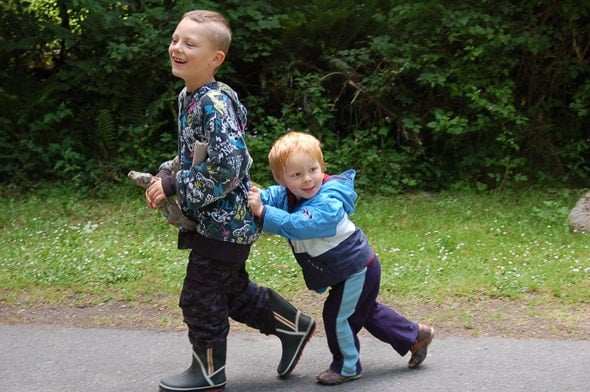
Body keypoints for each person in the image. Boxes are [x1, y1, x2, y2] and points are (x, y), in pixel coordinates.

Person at [146, 11, 315, 392]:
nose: (177, 48)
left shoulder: (215, 105)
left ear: (215, 58)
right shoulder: (188, 97)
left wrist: (178, 184)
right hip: (216, 221)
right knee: (231, 292)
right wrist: (166, 175)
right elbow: (193, 156)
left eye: (190, 44)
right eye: (175, 39)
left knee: (200, 297)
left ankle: (207, 373)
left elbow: (229, 167)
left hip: (226, 223)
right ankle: (295, 326)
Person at [248, 131, 434, 385]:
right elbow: (269, 197)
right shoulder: (289, 195)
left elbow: (300, 225)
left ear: (321, 167)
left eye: (313, 169)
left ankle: (347, 366)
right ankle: (415, 336)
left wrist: (264, 213)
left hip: (357, 269)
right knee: (365, 312)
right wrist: (254, 199)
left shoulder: (329, 201)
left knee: (338, 316)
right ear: (282, 179)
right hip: (346, 271)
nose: (307, 180)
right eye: (296, 175)